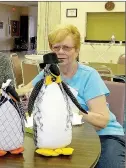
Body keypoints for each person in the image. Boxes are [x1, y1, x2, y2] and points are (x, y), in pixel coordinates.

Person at [18, 24, 125, 168]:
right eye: (56, 48)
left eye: (66, 48)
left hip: (104, 136)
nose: (60, 52)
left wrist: (69, 109)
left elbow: (102, 121)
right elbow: (24, 91)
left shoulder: (89, 76)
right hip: (68, 135)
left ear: (77, 50)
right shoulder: (48, 73)